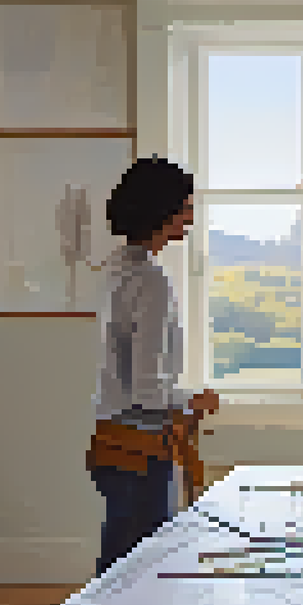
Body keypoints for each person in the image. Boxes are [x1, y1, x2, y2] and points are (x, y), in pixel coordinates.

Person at [88, 156, 220, 578]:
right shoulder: (150, 280)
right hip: (141, 444)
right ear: (162, 210)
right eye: (186, 205)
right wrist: (192, 400)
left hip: (110, 436)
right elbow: (147, 390)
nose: (191, 215)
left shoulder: (115, 268)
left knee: (119, 563)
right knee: (144, 569)